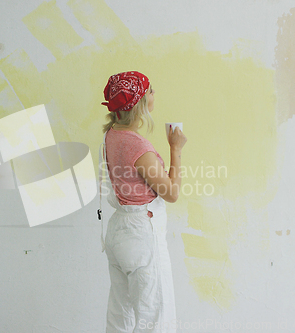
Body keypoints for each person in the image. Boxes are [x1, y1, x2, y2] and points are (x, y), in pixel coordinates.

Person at [99, 71, 187, 332]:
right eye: (151, 91)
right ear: (139, 102)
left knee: (120, 313)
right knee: (154, 317)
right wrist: (176, 149)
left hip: (118, 234)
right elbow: (171, 193)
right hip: (140, 236)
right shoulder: (139, 147)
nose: (154, 95)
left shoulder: (111, 136)